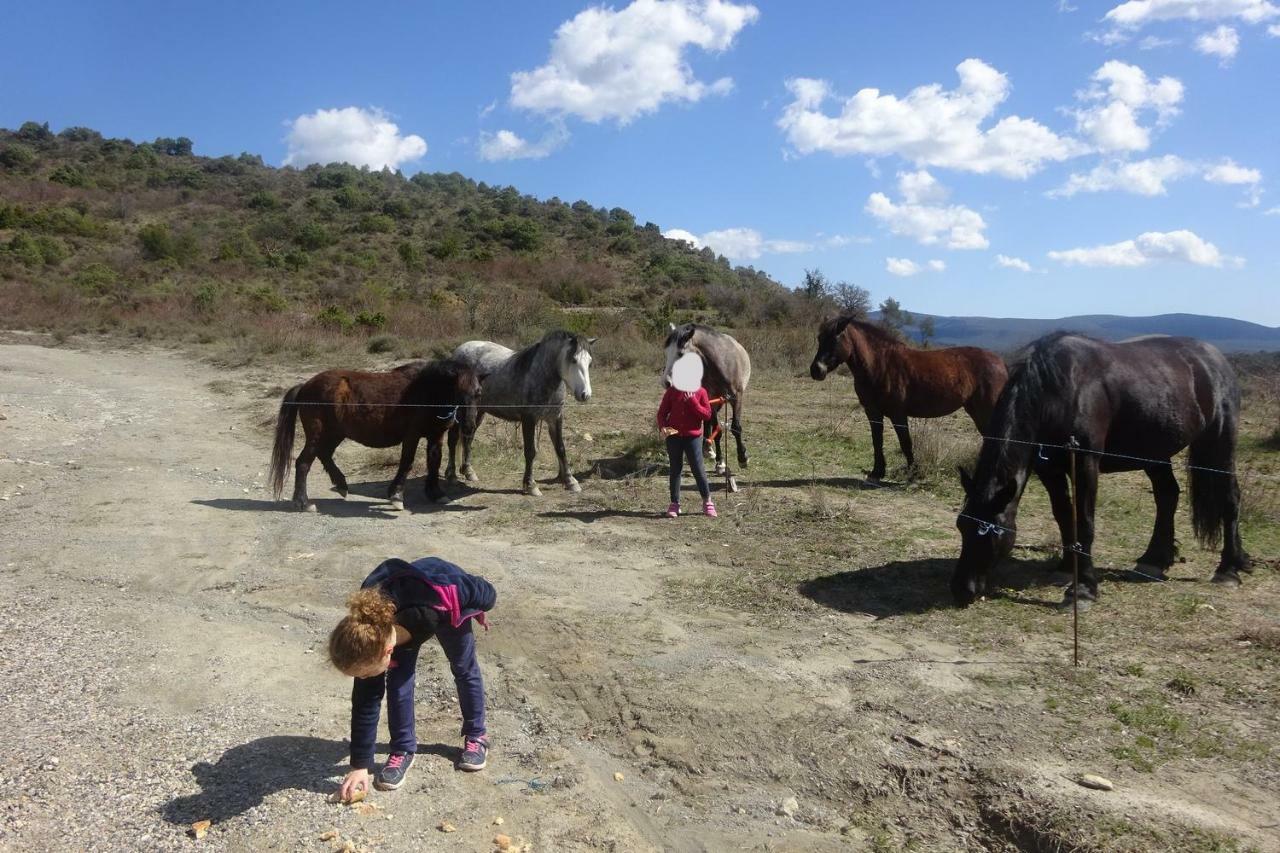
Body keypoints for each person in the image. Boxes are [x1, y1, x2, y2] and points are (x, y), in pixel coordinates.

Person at [328, 557, 496, 800]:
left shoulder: (429, 606)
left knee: (463, 667)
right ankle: (403, 749)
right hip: (401, 616)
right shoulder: (369, 633)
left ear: (387, 652)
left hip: (446, 600)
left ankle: (477, 734)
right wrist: (360, 765)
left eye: (364, 673)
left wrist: (477, 607)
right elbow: (366, 701)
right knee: (398, 681)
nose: (363, 678)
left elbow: (482, 590)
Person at [656, 382, 723, 518]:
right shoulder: (672, 391)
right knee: (675, 469)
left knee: (697, 469)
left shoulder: (701, 392)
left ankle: (707, 502)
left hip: (693, 437)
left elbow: (707, 415)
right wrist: (663, 427)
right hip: (673, 435)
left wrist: (693, 403)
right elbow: (662, 413)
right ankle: (674, 503)